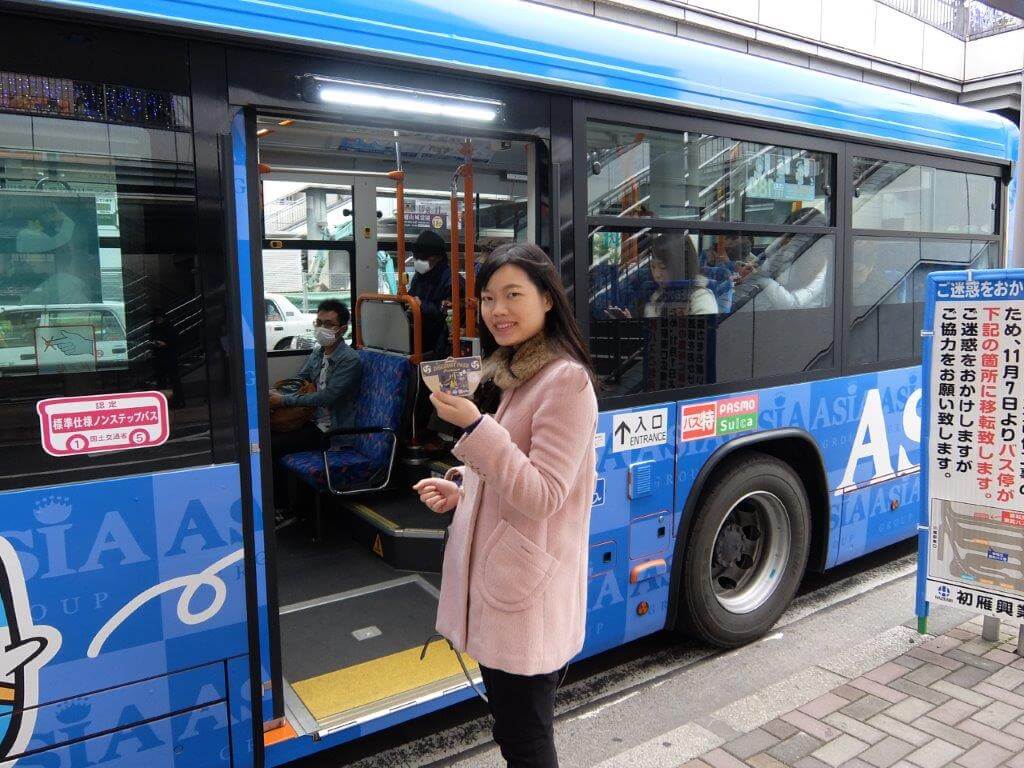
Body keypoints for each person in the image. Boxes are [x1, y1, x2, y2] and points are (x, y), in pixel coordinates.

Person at [414, 242, 598, 768]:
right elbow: (509, 468)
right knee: (513, 729)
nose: (498, 310)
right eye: (489, 298)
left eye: (513, 294)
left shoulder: (566, 380)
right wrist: (463, 490)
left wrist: (473, 426)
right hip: (508, 587)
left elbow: (543, 495)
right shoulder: (517, 372)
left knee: (525, 740)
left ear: (546, 299)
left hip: (527, 594)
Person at [269, 299, 362, 516]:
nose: (322, 328)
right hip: (311, 422)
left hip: (332, 431)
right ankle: (280, 503)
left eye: (328, 324)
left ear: (342, 329)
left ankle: (283, 508)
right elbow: (301, 378)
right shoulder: (319, 353)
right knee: (264, 436)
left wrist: (283, 401)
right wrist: (277, 392)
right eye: (319, 322)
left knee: (273, 445)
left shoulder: (350, 360)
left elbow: (328, 397)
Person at [606, 231, 717, 319]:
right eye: (653, 267)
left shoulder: (700, 298)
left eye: (663, 267)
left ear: (681, 266)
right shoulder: (658, 295)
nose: (657, 274)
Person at [408, 229, 460, 358]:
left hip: (440, 342)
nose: (418, 261)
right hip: (418, 337)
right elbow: (410, 296)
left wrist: (422, 306)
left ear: (436, 257)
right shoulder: (419, 275)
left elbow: (449, 314)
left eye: (422, 258)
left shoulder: (452, 281)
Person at [151, 309, 184, 408]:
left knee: (173, 380)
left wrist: (166, 343)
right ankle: (164, 403)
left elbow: (175, 341)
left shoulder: (168, 327)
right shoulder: (155, 327)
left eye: (159, 318)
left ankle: (177, 401)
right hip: (161, 358)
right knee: (162, 381)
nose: (158, 320)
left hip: (169, 357)